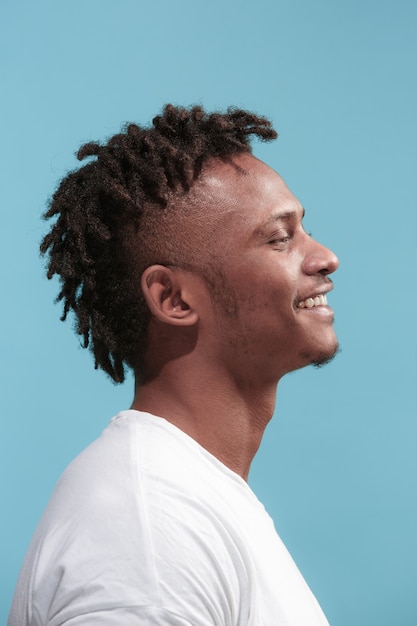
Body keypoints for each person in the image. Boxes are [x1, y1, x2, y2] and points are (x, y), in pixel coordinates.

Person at [9, 104, 339, 625]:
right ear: (173, 299)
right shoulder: (148, 531)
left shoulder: (183, 500)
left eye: (304, 230)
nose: (324, 257)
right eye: (280, 238)